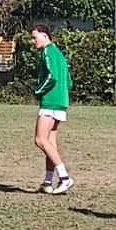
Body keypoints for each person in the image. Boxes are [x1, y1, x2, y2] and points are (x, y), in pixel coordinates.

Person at [30, 24, 73, 194]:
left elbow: (52, 76)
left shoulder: (47, 52)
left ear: (45, 36)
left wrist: (38, 91)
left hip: (50, 102)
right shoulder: (59, 53)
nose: (33, 41)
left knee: (40, 140)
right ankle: (47, 182)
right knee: (50, 143)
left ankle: (64, 177)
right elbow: (68, 81)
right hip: (61, 102)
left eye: (35, 37)